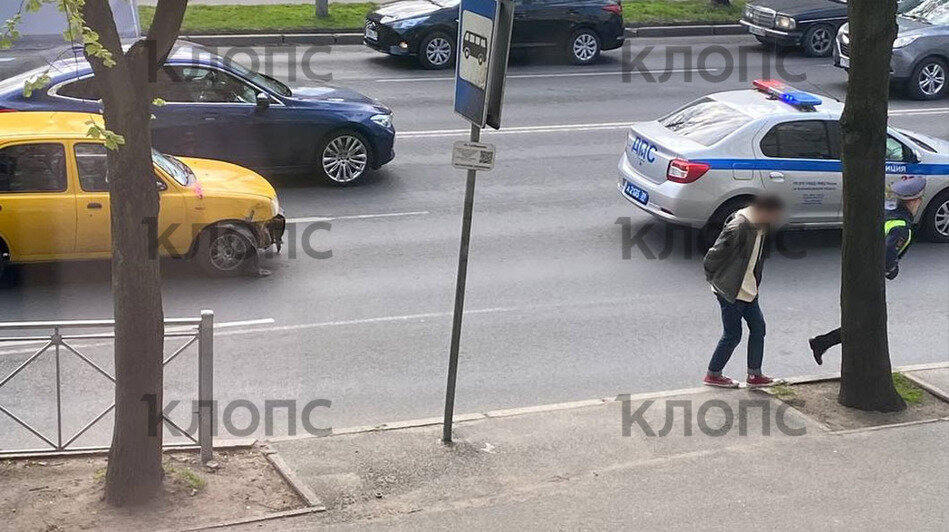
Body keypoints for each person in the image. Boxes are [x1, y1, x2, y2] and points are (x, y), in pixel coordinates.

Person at [809, 176, 927, 365]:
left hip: (856, 269)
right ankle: (826, 344)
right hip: (870, 278)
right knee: (866, 323)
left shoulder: (887, 212)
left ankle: (823, 343)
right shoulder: (902, 227)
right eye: (919, 200)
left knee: (863, 321)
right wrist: (891, 270)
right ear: (914, 201)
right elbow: (887, 256)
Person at [702, 195, 785, 388]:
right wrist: (718, 282)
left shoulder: (761, 226)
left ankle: (755, 376)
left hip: (748, 288)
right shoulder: (738, 227)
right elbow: (712, 257)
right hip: (731, 290)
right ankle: (713, 374)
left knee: (758, 328)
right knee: (732, 334)